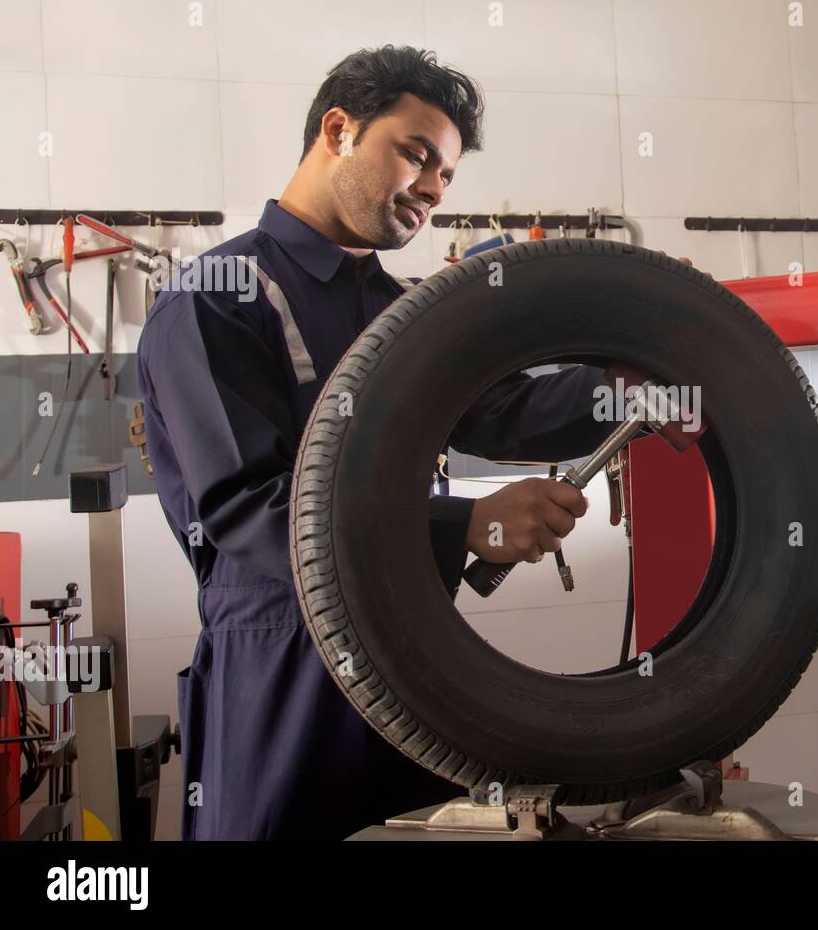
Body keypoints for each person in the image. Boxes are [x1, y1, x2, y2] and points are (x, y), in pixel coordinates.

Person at [137, 45, 638, 840]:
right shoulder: (217, 299)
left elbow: (500, 411)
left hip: (411, 658)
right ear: (338, 129)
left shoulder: (401, 309)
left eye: (447, 176)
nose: (434, 189)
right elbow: (247, 510)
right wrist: (467, 525)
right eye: (419, 155)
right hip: (282, 662)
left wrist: (636, 376)